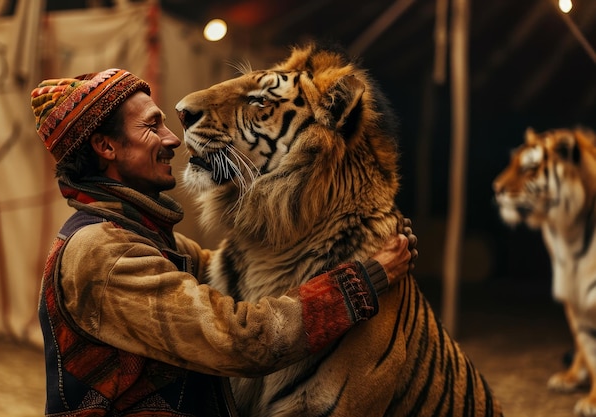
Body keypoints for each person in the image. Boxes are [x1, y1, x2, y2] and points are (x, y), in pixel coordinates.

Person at [31, 68, 417, 416]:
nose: (173, 140)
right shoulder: (103, 253)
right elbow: (238, 339)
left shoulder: (135, 233)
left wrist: (305, 246)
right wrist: (360, 283)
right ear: (106, 147)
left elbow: (206, 265)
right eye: (152, 127)